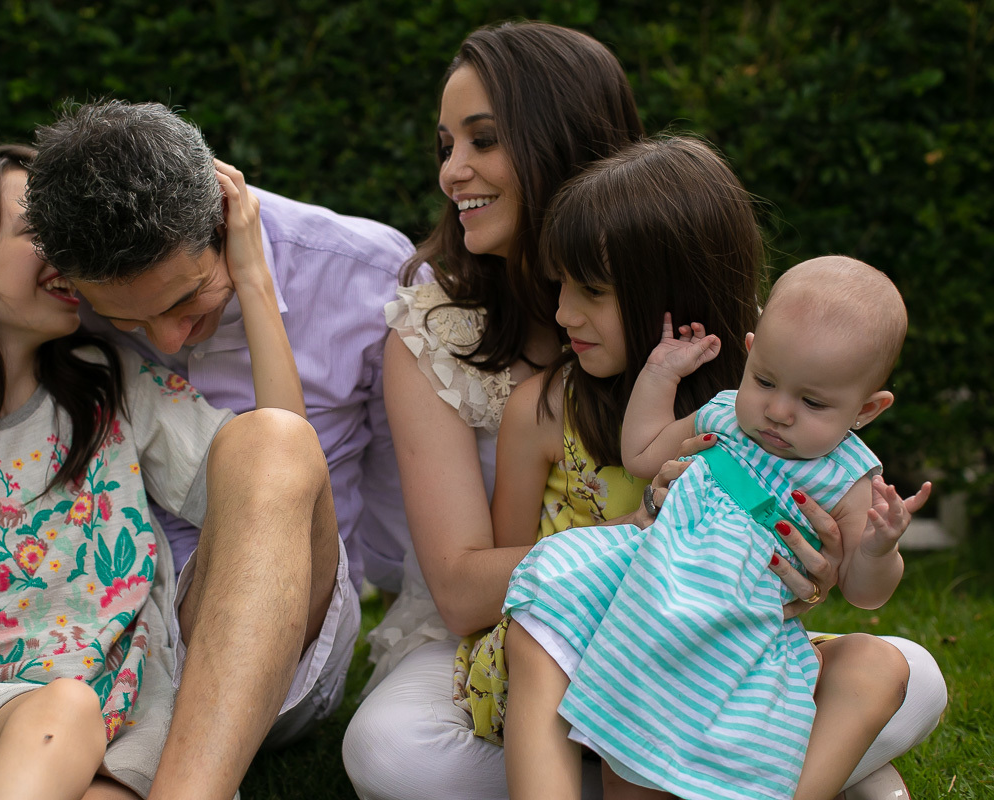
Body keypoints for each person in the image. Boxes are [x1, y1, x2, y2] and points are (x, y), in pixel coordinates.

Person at [343, 21, 947, 800]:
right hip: (566, 632)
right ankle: (726, 773)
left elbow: (826, 559)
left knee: (912, 677)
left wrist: (823, 560)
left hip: (719, 648)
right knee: (396, 754)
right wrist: (648, 532)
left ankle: (718, 767)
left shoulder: (759, 377)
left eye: (483, 140)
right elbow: (485, 585)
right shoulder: (484, 361)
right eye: (444, 145)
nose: (453, 172)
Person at [0, 144, 314, 799]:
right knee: (63, 712)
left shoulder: (109, 390)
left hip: (130, 740)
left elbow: (286, 469)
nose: (61, 248)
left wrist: (253, 276)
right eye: (34, 231)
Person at [489, 138, 918, 800]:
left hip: (738, 628)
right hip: (652, 593)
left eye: (811, 402)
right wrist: (660, 376)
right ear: (749, 352)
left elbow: (863, 592)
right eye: (766, 381)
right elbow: (645, 452)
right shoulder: (724, 413)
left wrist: (880, 548)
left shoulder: (847, 476)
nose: (776, 412)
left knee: (882, 673)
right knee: (563, 596)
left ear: (867, 409)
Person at [24, 100, 410, 798]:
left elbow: (360, 497)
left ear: (223, 220)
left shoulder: (367, 274)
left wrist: (254, 284)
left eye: (188, 300)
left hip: (293, 644)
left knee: (269, 445)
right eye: (127, 321)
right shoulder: (56, 287)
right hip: (110, 639)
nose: (168, 340)